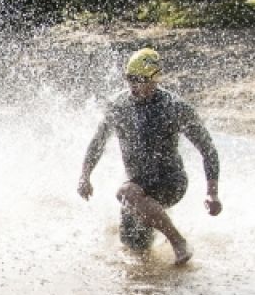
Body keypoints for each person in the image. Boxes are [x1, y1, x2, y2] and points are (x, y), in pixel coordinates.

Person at [78, 48, 222, 265]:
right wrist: (85, 176)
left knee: (124, 192)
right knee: (135, 251)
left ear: (155, 79)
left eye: (140, 80)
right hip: (139, 186)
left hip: (170, 181)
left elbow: (208, 149)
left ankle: (178, 242)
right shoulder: (118, 106)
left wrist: (212, 193)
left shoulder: (174, 107)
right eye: (129, 79)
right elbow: (98, 142)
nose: (133, 85)